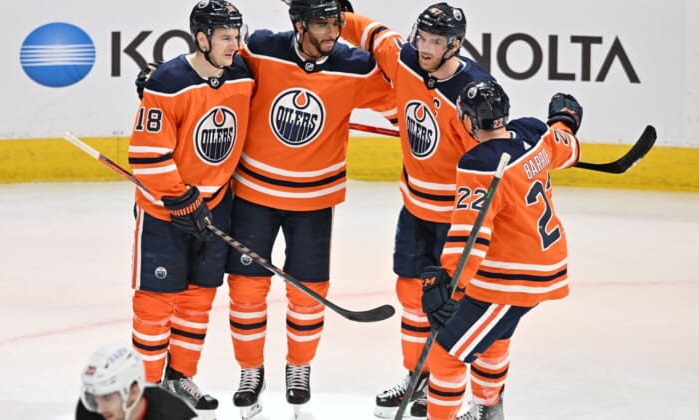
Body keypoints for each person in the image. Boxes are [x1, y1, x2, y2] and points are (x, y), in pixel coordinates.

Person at [223, 0, 396, 418]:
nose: (332, 32)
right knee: (246, 291)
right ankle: (250, 370)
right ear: (298, 25)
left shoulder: (356, 67)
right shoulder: (262, 49)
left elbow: (405, 100)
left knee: (309, 293)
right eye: (322, 24)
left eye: (336, 22)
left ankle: (298, 368)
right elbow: (218, 76)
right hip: (254, 194)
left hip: (314, 201)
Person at [338, 3, 495, 417]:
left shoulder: (473, 92)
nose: (425, 47)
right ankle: (417, 377)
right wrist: (337, 13)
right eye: (422, 37)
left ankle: (462, 393)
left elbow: (488, 163)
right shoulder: (405, 58)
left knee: (452, 306)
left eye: (436, 42)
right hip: (415, 208)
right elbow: (370, 32)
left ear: (455, 45)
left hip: (456, 219)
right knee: (410, 294)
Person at [418, 80, 582, 419]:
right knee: (493, 340)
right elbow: (566, 147)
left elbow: (470, 234)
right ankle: (489, 411)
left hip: (510, 278)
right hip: (539, 262)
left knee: (446, 352)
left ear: (468, 120)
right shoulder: (534, 133)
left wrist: (448, 282)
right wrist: (564, 121)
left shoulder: (479, 164)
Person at [127, 0, 253, 416]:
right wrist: (180, 197)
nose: (234, 45)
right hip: (164, 212)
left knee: (198, 300)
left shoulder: (242, 74)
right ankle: (146, 390)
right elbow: (146, 154)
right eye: (225, 38)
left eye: (237, 36)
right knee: (155, 304)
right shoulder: (169, 81)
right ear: (201, 39)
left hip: (215, 206)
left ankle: (180, 376)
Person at [77, 342, 201, 420]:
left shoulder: (175, 416)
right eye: (93, 397)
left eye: (107, 397)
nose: (99, 408)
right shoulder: (89, 412)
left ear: (134, 392)